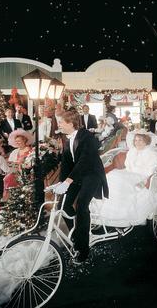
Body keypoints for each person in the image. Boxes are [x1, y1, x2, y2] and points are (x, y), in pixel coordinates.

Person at [55, 110, 108, 264]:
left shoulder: (87, 137)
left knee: (81, 206)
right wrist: (61, 182)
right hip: (77, 176)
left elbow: (84, 161)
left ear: (71, 124)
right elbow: (66, 164)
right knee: (63, 206)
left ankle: (83, 248)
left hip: (92, 175)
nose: (59, 125)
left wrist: (68, 181)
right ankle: (77, 234)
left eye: (61, 123)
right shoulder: (67, 139)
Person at [91, 132, 157, 227]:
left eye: (140, 140)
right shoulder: (132, 151)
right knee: (111, 176)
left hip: (142, 176)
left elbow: (149, 171)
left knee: (121, 181)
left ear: (146, 141)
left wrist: (135, 171)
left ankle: (120, 215)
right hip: (128, 172)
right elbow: (128, 166)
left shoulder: (153, 155)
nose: (137, 142)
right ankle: (104, 211)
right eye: (136, 140)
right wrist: (130, 170)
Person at [3, 129, 34, 201]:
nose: (17, 143)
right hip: (15, 171)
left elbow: (30, 162)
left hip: (25, 172)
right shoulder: (15, 151)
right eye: (16, 142)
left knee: (8, 179)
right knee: (6, 179)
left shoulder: (30, 150)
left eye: (19, 141)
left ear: (24, 140)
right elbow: (10, 162)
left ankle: (10, 199)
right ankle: (8, 200)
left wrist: (21, 165)